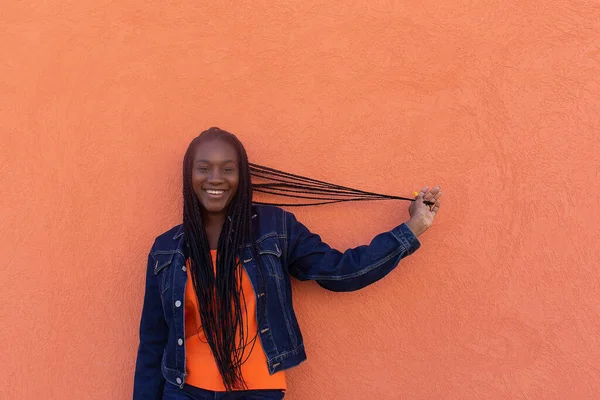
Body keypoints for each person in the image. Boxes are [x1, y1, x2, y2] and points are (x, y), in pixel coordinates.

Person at [133, 127, 442, 400]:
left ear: (242, 176)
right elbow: (152, 341)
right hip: (183, 391)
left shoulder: (275, 229)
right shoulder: (166, 250)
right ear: (190, 175)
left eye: (227, 168)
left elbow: (341, 272)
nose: (215, 178)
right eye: (204, 168)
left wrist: (411, 230)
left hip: (257, 391)